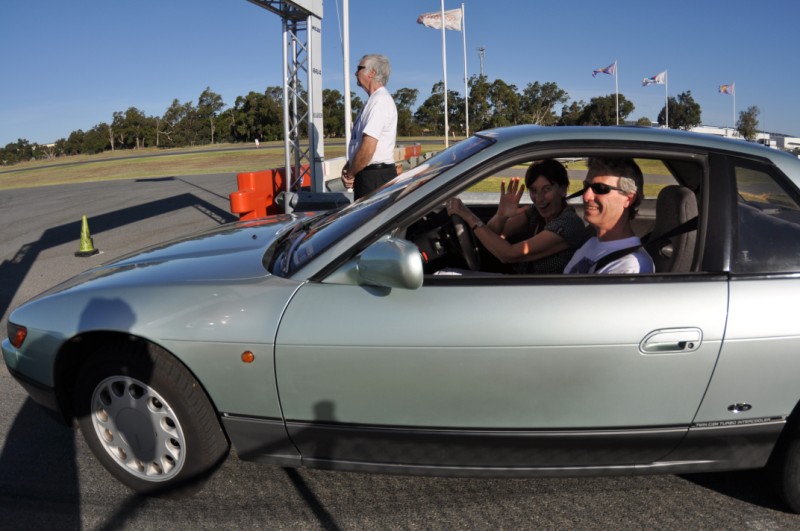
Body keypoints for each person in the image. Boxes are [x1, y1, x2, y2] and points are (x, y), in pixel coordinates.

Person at [446, 159, 588, 274]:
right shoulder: (536, 213)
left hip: (545, 295)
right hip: (523, 284)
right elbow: (493, 234)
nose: (539, 198)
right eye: (533, 190)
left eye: (547, 190)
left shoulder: (568, 225)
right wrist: (501, 215)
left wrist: (469, 216)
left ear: (563, 190)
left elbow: (508, 255)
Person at [564, 157, 655, 274]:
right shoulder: (592, 242)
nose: (586, 196)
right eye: (586, 186)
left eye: (600, 189)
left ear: (629, 198)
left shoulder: (630, 266)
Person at [341, 54, 398, 200]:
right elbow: (360, 144)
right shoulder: (373, 101)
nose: (355, 73)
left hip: (374, 177)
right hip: (369, 175)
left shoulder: (380, 101)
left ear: (372, 72)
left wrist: (351, 173)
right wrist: (350, 165)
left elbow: (368, 148)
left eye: (359, 68)